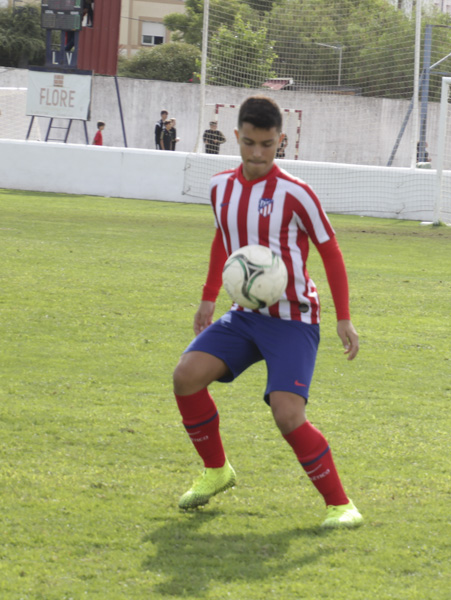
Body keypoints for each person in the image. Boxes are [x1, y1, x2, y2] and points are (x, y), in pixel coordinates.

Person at [171, 95, 363, 529]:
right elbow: (222, 240)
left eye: (267, 145)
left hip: (293, 319)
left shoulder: (297, 194)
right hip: (244, 316)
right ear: (236, 137)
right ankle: (217, 471)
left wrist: (343, 318)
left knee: (287, 414)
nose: (258, 154)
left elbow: (330, 252)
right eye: (250, 143)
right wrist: (207, 296)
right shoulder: (220, 186)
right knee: (186, 376)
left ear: (282, 141)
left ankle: (341, 505)